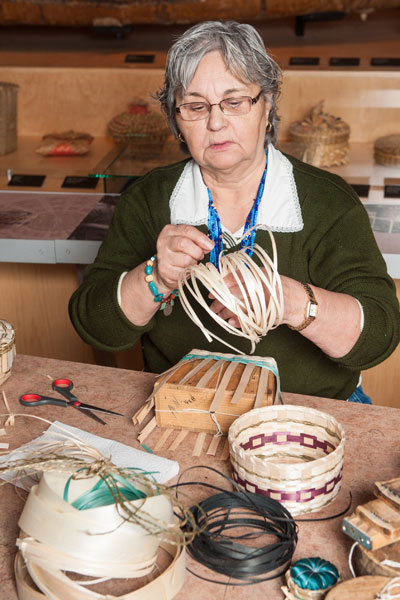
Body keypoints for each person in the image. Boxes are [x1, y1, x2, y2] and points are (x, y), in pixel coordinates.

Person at [69, 20, 399, 401]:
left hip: (308, 413)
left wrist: (290, 301)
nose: (215, 122)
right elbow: (95, 327)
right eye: (195, 106)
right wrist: (155, 277)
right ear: (176, 120)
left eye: (235, 102)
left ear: (268, 103)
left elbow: (380, 335)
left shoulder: (326, 203)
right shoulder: (150, 199)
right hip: (186, 410)